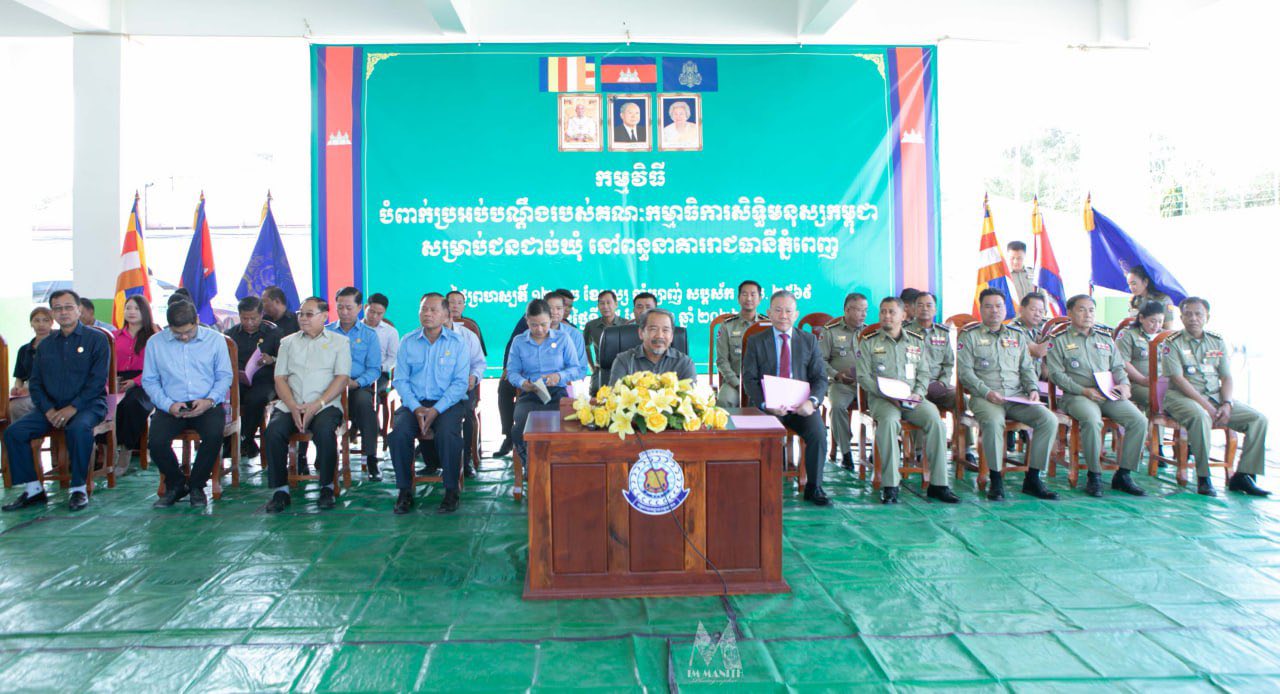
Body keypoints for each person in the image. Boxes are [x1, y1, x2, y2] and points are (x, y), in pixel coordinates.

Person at [2, 290, 109, 512]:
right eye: (58, 308)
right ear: (53, 313)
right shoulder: (46, 345)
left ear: (79, 310)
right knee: (14, 432)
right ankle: (34, 490)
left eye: (68, 307)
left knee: (79, 428)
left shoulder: (96, 339)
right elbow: (35, 384)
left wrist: (73, 407)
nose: (63, 312)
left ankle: (78, 489)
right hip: (51, 408)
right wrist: (48, 410)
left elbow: (97, 382)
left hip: (88, 405)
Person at [956, 289, 1061, 500]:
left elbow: (1027, 368)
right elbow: (965, 373)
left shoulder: (1016, 335)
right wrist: (987, 392)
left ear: (1006, 309)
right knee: (994, 422)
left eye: (999, 306)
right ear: (981, 309)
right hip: (985, 397)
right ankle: (996, 479)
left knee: (1048, 420)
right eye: (988, 306)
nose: (994, 311)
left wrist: (1032, 389)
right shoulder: (970, 336)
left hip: (1016, 396)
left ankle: (1033, 478)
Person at [1161, 297, 1269, 497]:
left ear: (1207, 317)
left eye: (1198, 314)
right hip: (1181, 398)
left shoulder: (1217, 341)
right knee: (1201, 416)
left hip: (1215, 397)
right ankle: (1204, 476)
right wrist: (1208, 407)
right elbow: (1178, 380)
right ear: (1181, 317)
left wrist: (1227, 403)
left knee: (1258, 419)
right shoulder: (1172, 343)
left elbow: (1226, 377)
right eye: (1188, 314)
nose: (1193, 318)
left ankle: (1244, 475)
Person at [856, 297, 958, 504]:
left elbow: (924, 373)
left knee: (936, 422)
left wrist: (918, 393)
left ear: (903, 316)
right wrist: (886, 394)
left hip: (911, 398)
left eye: (892, 312)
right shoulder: (869, 341)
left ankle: (939, 485)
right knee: (889, 423)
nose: (886, 316)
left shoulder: (916, 341)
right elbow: (863, 377)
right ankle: (891, 485)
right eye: (883, 311)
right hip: (883, 399)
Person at [1046, 295, 1149, 497]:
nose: (1087, 314)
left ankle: (1124, 475)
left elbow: (1118, 367)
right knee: (1093, 420)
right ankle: (1094, 474)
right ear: (1070, 313)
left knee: (1139, 420)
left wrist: (1125, 385)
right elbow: (1056, 375)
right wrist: (1083, 390)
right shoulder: (1058, 340)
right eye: (1081, 309)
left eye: (1091, 310)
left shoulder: (1105, 338)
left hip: (1107, 393)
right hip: (1077, 395)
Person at [260, 297, 351, 513]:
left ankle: (327, 487)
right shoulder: (287, 342)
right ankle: (280, 491)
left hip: (325, 405)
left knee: (324, 431)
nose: (303, 318)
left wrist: (317, 404)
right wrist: (293, 406)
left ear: (324, 316)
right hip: (291, 404)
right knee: (273, 431)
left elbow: (342, 378)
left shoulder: (339, 342)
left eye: (309, 314)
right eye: (301, 314)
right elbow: (280, 378)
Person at [743, 291, 831, 507]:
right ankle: (761, 487)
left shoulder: (809, 341)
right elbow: (749, 379)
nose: (783, 316)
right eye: (778, 310)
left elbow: (820, 378)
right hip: (769, 407)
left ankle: (814, 487)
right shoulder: (756, 341)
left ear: (796, 314)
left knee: (818, 433)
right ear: (769, 313)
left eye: (788, 311)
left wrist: (812, 402)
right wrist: (765, 404)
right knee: (762, 437)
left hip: (801, 407)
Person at [144, 301, 235, 508]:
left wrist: (209, 400)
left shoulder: (215, 340)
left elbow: (224, 376)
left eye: (188, 332)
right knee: (156, 442)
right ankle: (176, 484)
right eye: (178, 334)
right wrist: (168, 405)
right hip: (171, 404)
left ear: (197, 321)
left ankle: (196, 486)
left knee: (213, 435)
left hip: (207, 403)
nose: (184, 337)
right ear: (169, 326)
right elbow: (150, 381)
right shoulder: (155, 343)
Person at [388, 293, 471, 514]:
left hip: (447, 404)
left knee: (448, 434)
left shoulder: (458, 343)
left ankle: (451, 491)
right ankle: (404, 491)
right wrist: (416, 407)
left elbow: (460, 384)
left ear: (446, 315)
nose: (427, 314)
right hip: (414, 403)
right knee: (399, 434)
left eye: (433, 310)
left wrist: (436, 410)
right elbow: (400, 380)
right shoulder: (408, 341)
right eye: (424, 309)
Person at [507, 299, 579, 468]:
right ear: (527, 321)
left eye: (543, 324)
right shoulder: (519, 341)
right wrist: (523, 383)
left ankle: (558, 465)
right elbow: (512, 372)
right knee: (520, 426)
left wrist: (559, 376)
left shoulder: (563, 338)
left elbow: (576, 369)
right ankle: (530, 466)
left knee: (565, 425)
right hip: (530, 392)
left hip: (557, 393)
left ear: (551, 319)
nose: (539, 329)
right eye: (534, 325)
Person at [327, 287, 383, 480]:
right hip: (329, 387)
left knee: (364, 404)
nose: (344, 312)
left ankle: (371, 457)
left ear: (359, 308)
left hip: (357, 385)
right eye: (340, 307)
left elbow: (374, 369)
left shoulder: (369, 335)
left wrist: (356, 382)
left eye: (349, 308)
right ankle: (315, 456)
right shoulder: (326, 332)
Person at [224, 296, 282, 458]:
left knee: (256, 399)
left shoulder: (274, 333)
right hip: (239, 380)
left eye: (253, 318)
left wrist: (272, 359)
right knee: (227, 396)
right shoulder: (231, 335)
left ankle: (243, 439)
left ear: (261, 315)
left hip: (265, 380)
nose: (249, 322)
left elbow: (286, 360)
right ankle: (235, 440)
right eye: (245, 318)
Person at [818, 292, 867, 470]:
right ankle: (846, 453)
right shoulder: (830, 331)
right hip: (840, 383)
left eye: (865, 310)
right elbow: (820, 361)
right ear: (847, 310)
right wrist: (836, 375)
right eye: (859, 310)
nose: (863, 314)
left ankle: (877, 451)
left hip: (866, 384)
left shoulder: (869, 333)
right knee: (837, 406)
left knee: (886, 404)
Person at [113, 295, 157, 475]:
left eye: (136, 308)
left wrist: (135, 381)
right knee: (107, 405)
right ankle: (107, 451)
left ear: (145, 311)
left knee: (132, 404)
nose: (131, 312)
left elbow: (157, 367)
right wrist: (112, 382)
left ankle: (125, 451)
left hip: (145, 382)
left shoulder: (154, 336)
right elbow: (107, 363)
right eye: (128, 308)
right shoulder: (114, 336)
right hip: (117, 381)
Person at [444, 309, 486, 479]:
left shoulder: (467, 336)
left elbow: (479, 364)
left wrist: (473, 377)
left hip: (463, 388)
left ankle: (466, 459)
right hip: (435, 391)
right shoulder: (422, 338)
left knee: (467, 412)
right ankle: (431, 460)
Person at [609, 308, 697, 382]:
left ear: (671, 336)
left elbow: (688, 396)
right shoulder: (624, 361)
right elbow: (615, 395)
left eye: (665, 330)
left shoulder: (685, 363)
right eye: (653, 329)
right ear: (641, 333)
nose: (659, 335)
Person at [715, 280, 763, 407]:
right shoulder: (727, 326)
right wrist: (738, 384)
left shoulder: (767, 325)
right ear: (738, 298)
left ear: (760, 299)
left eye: (753, 294)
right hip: (735, 381)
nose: (749, 298)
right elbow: (722, 361)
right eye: (744, 294)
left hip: (762, 382)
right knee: (724, 401)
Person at [1116, 300, 1166, 411]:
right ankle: (1153, 422)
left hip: (1163, 383)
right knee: (1156, 399)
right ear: (1141, 318)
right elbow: (1123, 362)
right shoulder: (1128, 334)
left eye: (1160, 321)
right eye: (1152, 321)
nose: (1156, 326)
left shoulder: (1166, 336)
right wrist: (1142, 380)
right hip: (1136, 383)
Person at [911, 291, 955, 412]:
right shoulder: (904, 331)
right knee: (924, 410)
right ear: (914, 309)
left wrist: (943, 383)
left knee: (961, 400)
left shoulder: (942, 333)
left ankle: (961, 424)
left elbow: (948, 363)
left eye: (929, 305)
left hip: (936, 385)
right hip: (913, 386)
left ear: (935, 310)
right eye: (920, 305)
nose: (924, 308)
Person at [9, 307, 53, 422]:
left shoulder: (58, 346)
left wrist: (30, 389)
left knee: (17, 406)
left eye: (45, 320)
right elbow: (19, 377)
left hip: (48, 392)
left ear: (52, 323)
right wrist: (17, 388)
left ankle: (30, 431)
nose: (41, 324)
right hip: (28, 391)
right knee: (9, 404)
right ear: (31, 323)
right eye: (36, 320)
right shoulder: (24, 349)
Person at [584, 290, 623, 391]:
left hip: (622, 370)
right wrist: (592, 367)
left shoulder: (626, 324)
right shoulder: (591, 325)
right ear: (598, 306)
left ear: (616, 304)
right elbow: (585, 347)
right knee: (596, 396)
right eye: (602, 303)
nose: (605, 306)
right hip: (600, 370)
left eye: (608, 303)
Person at [546, 292, 588, 381]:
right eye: (550, 308)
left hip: (566, 385)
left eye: (558, 308)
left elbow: (581, 369)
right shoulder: (530, 334)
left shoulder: (575, 334)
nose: (555, 312)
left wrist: (560, 377)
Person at [1006, 241, 1036, 306]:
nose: (1015, 262)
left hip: (1033, 311)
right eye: (1012, 258)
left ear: (1025, 256)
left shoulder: (1034, 273)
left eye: (1019, 258)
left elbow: (1042, 293)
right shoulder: (1004, 277)